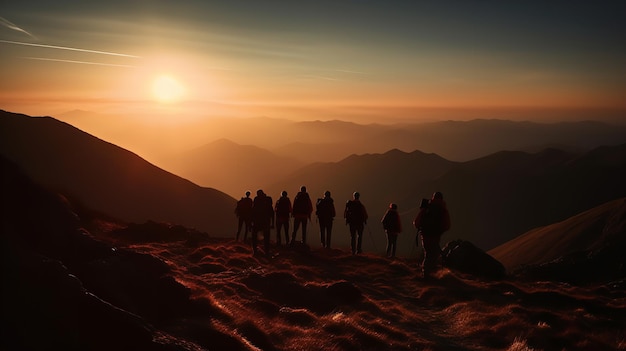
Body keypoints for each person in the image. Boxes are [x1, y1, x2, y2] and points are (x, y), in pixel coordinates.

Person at [413, 192, 451, 279]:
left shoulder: (426, 207)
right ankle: (427, 275)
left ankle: (426, 274)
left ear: (433, 198)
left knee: (428, 254)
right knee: (434, 254)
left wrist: (421, 228)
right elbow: (447, 225)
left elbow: (416, 222)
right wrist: (440, 230)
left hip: (425, 235)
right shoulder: (443, 209)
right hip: (435, 236)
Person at [251, 189, 274, 256]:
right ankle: (266, 252)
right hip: (265, 221)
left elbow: (253, 211)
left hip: (257, 221)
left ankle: (255, 251)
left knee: (254, 236)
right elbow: (271, 212)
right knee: (266, 237)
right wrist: (272, 223)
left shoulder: (256, 199)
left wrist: (251, 222)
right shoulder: (268, 199)